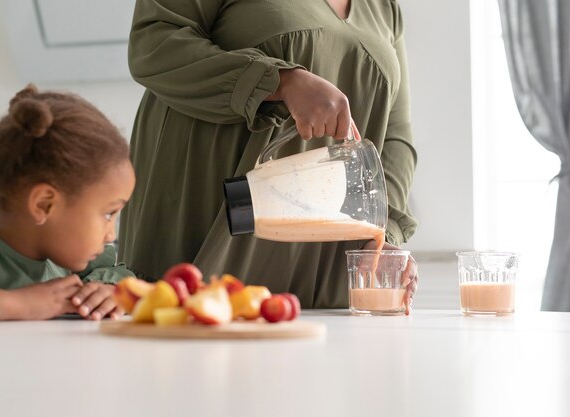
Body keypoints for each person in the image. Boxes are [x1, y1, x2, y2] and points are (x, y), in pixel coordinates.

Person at [119, 0, 419, 312]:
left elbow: (395, 134)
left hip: (327, 267)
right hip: (213, 220)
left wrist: (385, 234)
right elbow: (152, 45)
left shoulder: (384, 8)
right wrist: (279, 80)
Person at [0, 85, 136, 323]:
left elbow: (124, 275)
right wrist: (18, 304)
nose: (111, 235)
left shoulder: (67, 262)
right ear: (44, 205)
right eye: (109, 214)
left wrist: (107, 290)